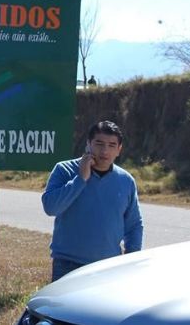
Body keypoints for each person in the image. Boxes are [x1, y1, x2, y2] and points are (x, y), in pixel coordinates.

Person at [41, 120, 143, 282]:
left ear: (119, 149)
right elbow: (51, 207)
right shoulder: (64, 170)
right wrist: (80, 179)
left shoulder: (126, 180)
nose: (105, 151)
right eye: (99, 143)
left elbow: (134, 225)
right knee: (66, 308)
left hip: (108, 266)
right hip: (67, 265)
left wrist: (130, 259)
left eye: (111, 145)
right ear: (88, 144)